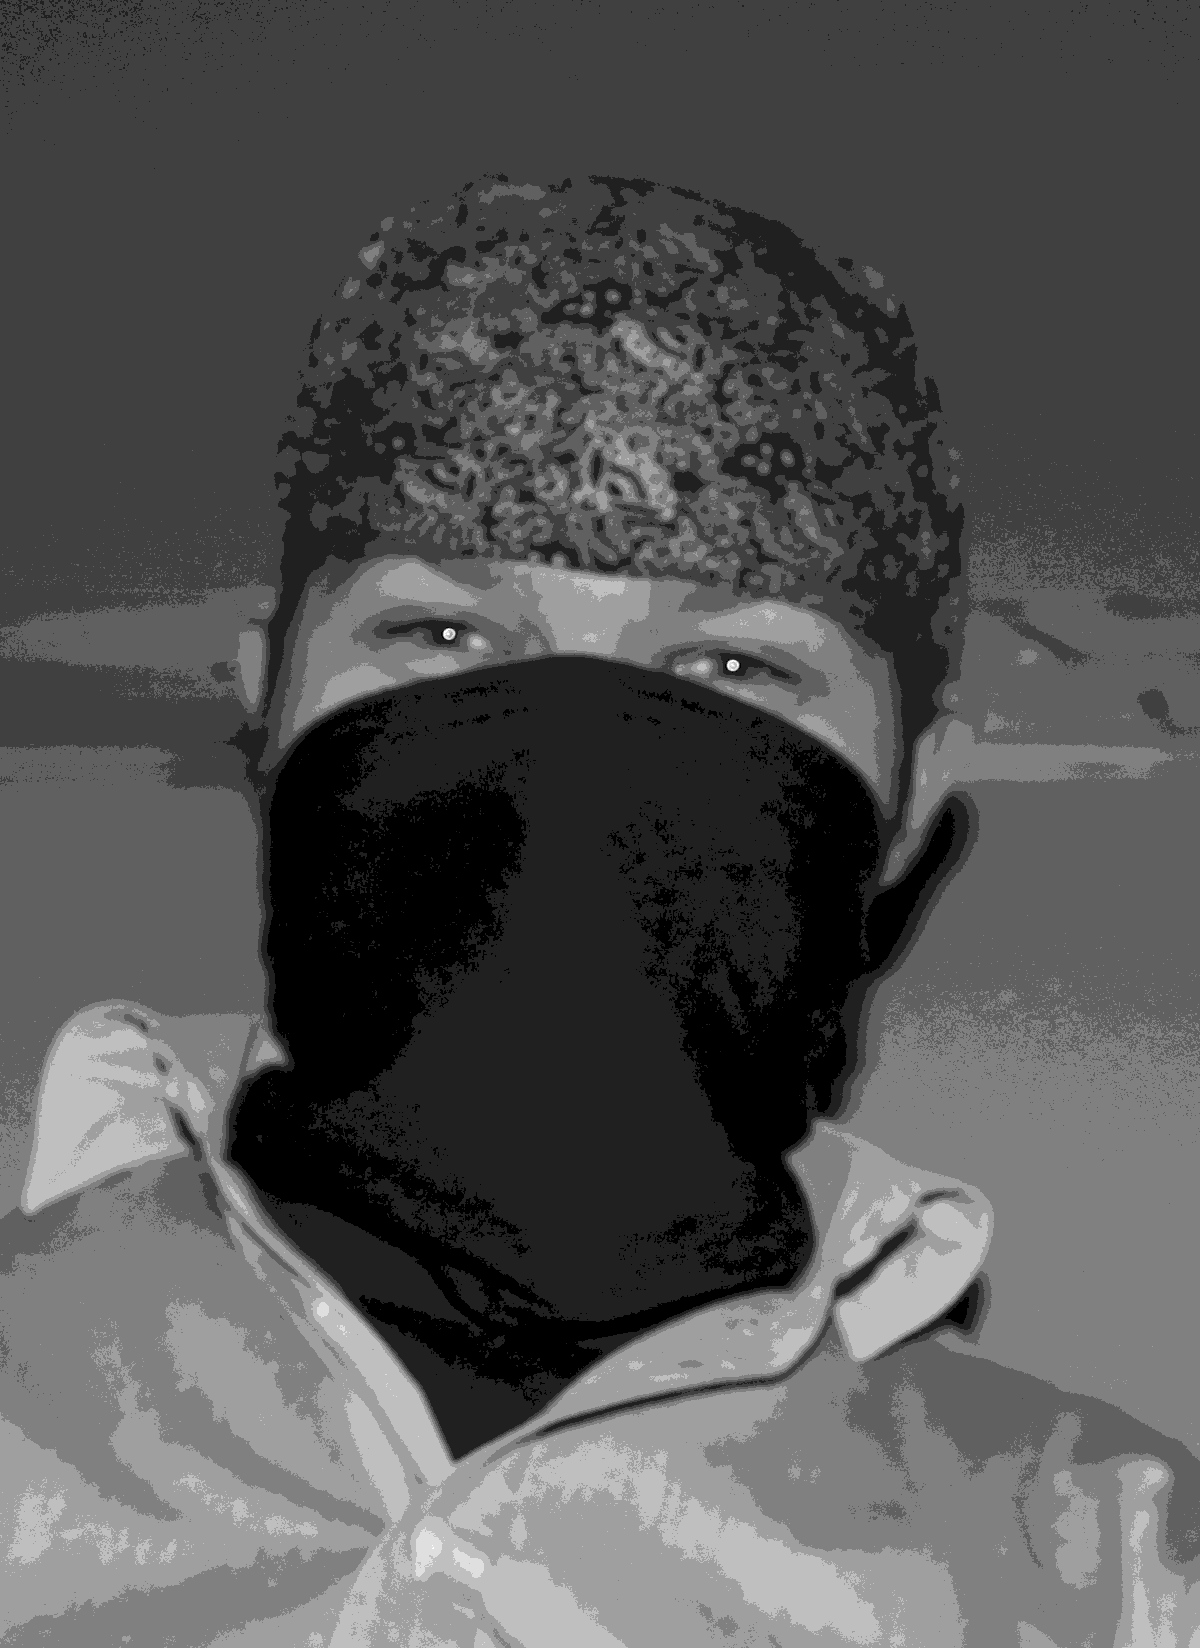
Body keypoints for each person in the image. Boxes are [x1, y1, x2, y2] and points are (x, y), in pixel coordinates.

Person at [2, 175, 1196, 1647]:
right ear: (268, 705)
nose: (570, 746)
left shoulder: (1118, 1576)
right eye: (445, 633)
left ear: (902, 802)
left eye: (736, 672)